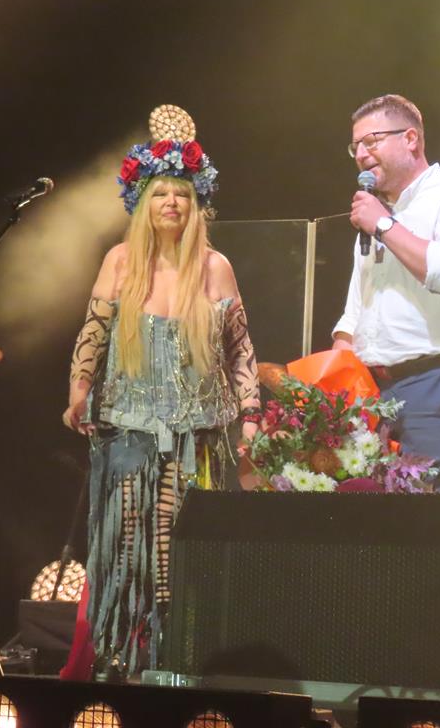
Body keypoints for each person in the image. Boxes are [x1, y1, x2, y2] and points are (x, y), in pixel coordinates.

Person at [62, 106, 259, 679]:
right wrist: (77, 390)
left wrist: (250, 415)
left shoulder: (214, 267)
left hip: (194, 434)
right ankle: (121, 659)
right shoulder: (121, 261)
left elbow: (240, 348)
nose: (171, 203)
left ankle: (174, 657)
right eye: (160, 194)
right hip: (128, 427)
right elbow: (93, 333)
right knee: (128, 546)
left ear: (196, 203)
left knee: (173, 549)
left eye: (182, 194)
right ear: (142, 202)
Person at [332, 94, 440, 493]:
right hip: (372, 391)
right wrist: (336, 390)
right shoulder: (377, 216)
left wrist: (384, 226)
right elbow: (356, 313)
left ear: (410, 139)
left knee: (422, 515)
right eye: (355, 147)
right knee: (370, 517)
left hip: (435, 384)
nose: (361, 154)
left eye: (371, 141)